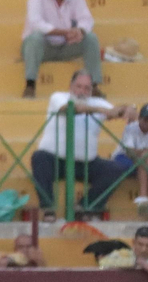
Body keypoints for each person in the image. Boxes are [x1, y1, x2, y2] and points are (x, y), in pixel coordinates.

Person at [29, 69, 137, 221]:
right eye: (79, 86)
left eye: (87, 88)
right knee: (39, 157)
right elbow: (70, 108)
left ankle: (84, 207)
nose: (82, 91)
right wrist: (100, 110)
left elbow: (116, 110)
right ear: (70, 86)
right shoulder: (58, 97)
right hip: (55, 161)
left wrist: (129, 108)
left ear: (92, 90)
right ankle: (49, 210)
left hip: (85, 164)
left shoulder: (97, 102)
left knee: (116, 169)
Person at [21, 0, 100, 100]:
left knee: (90, 38)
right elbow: (36, 23)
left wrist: (79, 31)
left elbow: (87, 19)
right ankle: (30, 85)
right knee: (35, 38)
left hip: (66, 45)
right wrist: (64, 32)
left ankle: (93, 86)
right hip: (42, 47)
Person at [116, 103, 148, 218]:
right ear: (140, 118)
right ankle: (143, 197)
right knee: (145, 156)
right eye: (146, 119)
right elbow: (130, 151)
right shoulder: (131, 128)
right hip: (124, 158)